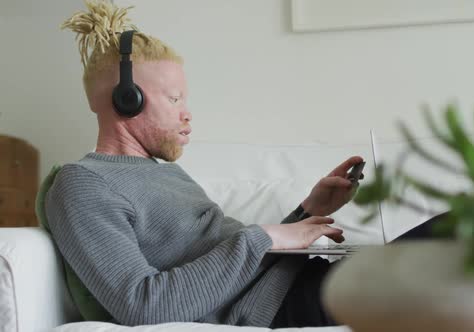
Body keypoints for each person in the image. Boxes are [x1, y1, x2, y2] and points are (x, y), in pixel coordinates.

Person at [48, 1, 446, 328]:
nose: (187, 114)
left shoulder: (163, 172)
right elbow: (143, 306)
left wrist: (308, 211)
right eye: (174, 99)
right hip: (283, 308)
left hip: (304, 282)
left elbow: (229, 259)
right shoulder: (84, 184)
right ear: (126, 100)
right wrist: (266, 236)